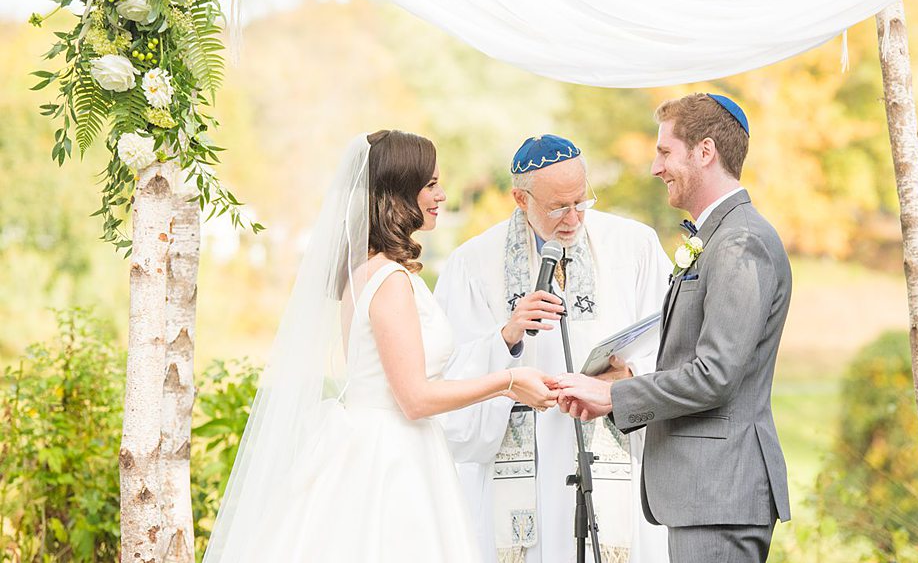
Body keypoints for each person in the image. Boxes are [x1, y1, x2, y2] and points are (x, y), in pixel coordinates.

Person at [202, 131, 558, 563]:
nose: (442, 195)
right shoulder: (389, 281)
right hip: (392, 458)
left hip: (382, 443)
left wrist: (504, 344)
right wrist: (509, 381)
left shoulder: (367, 270)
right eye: (430, 185)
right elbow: (414, 398)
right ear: (397, 192)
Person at [555, 94, 793, 563]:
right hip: (706, 496)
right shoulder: (717, 238)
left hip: (720, 494)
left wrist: (615, 398)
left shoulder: (740, 241)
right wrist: (618, 384)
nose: (654, 167)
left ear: (705, 152)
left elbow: (716, 375)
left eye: (665, 152)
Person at [436, 134, 671, 563]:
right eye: (558, 207)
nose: (574, 217)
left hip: (610, 453)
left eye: (582, 201)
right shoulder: (473, 263)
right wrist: (505, 337)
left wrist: (628, 377)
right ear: (520, 199)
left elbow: (673, 342)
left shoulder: (634, 247)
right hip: (527, 468)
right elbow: (446, 378)